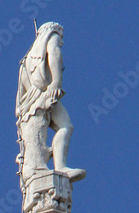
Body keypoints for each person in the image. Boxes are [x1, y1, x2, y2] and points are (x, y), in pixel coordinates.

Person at [16, 22, 86, 184]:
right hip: (45, 93)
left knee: (61, 127)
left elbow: (20, 99)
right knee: (65, 126)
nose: (61, 42)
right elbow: (54, 53)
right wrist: (56, 82)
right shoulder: (51, 37)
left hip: (30, 104)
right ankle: (60, 166)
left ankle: (47, 165)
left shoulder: (24, 62)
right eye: (61, 37)